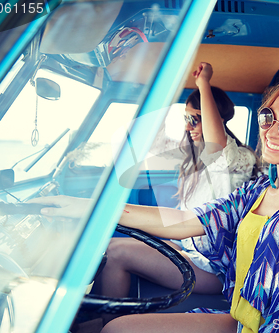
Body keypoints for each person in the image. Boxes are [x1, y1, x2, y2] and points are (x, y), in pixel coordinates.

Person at [37, 78, 279, 333]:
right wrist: (91, 210)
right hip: (240, 316)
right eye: (268, 117)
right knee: (117, 327)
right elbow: (187, 221)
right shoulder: (259, 188)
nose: (272, 132)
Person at [95, 62, 259, 300]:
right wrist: (161, 91)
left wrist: (203, 84)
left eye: (196, 119)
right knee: (110, 245)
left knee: (116, 253)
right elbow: (153, 141)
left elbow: (217, 145)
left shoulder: (238, 159)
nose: (188, 126)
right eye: (186, 118)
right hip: (187, 250)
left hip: (214, 268)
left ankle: (102, 325)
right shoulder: (192, 155)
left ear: (217, 118)